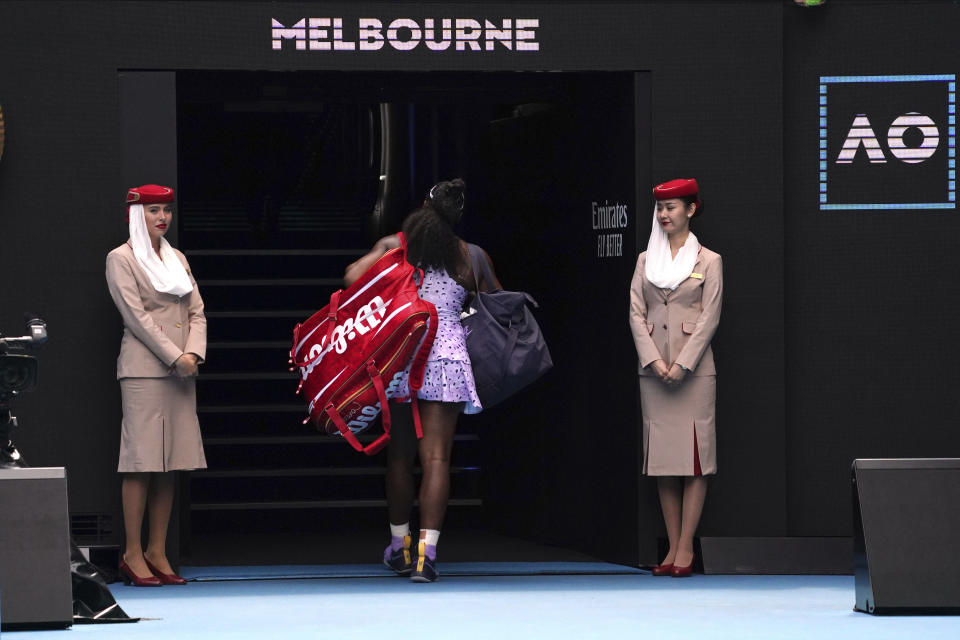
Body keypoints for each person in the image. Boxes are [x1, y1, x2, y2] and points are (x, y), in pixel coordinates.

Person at [344, 179, 500, 583]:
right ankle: (427, 557)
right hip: (447, 357)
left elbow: (351, 279)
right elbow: (496, 303)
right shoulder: (472, 255)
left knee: (399, 458)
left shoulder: (398, 247)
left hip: (403, 356)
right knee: (437, 459)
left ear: (422, 207)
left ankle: (399, 548)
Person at [105, 184, 207, 587]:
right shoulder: (121, 259)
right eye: (153, 210)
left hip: (183, 370)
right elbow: (136, 317)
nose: (162, 216)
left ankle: (157, 550)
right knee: (143, 461)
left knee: (172, 463)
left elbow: (197, 311)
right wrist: (175, 356)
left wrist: (194, 354)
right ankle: (132, 552)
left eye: (166, 209)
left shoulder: (176, 257)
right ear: (136, 215)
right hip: (147, 370)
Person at [628, 178, 722, 578]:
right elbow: (635, 313)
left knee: (695, 461)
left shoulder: (709, 260)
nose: (665, 215)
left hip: (694, 371)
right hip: (653, 372)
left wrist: (682, 364)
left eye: (672, 208)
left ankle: (685, 549)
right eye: (660, 209)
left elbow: (709, 317)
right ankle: (670, 550)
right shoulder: (645, 260)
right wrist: (653, 361)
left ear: (691, 210)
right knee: (665, 462)